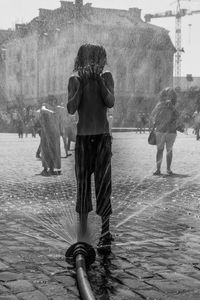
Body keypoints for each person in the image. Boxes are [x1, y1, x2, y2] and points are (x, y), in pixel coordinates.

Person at [67, 44, 115, 253]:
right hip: (84, 140)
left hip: (102, 138)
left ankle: (105, 231)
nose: (97, 63)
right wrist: (83, 85)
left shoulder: (107, 77)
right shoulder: (75, 79)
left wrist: (99, 82)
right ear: (83, 60)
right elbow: (71, 108)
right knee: (84, 186)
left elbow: (110, 102)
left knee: (104, 186)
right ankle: (83, 232)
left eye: (99, 59)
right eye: (92, 58)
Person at [150, 87, 181, 176]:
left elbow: (153, 115)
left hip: (164, 131)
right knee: (167, 150)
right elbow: (178, 116)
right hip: (169, 131)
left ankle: (160, 169)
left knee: (163, 150)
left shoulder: (160, 105)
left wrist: (155, 122)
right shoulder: (168, 105)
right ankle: (165, 169)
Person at [39, 95, 61, 176]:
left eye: (54, 100)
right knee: (45, 149)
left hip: (54, 132)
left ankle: (52, 167)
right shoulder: (45, 105)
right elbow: (43, 109)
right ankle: (45, 167)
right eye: (51, 100)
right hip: (46, 132)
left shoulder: (56, 107)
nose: (52, 102)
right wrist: (49, 111)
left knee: (54, 149)